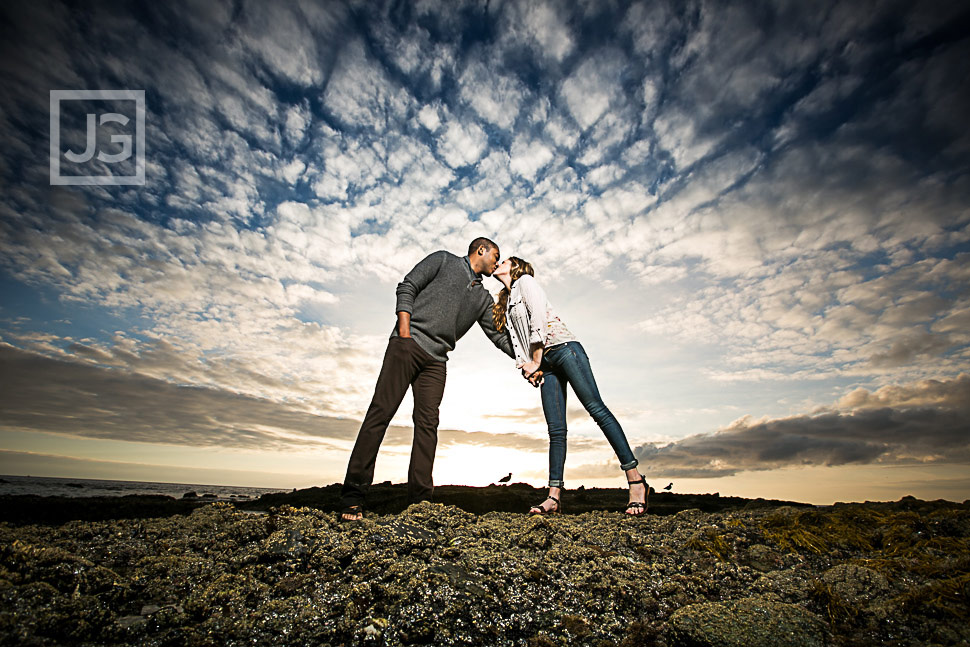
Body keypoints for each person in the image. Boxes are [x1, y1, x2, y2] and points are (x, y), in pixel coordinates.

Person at [339, 238, 515, 521]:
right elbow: (407, 286)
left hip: (436, 362)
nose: (497, 261)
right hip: (407, 346)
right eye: (496, 254)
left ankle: (419, 504)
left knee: (427, 426)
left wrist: (528, 361)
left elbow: (498, 336)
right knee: (380, 414)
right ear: (480, 250)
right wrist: (405, 334)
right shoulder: (444, 260)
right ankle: (353, 498)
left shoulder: (483, 298)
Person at [492, 256, 648, 515]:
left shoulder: (526, 282)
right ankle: (554, 497)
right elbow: (518, 343)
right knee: (556, 430)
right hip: (545, 364)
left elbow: (539, 321)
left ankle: (635, 480)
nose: (499, 262)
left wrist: (536, 360)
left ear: (516, 266)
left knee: (597, 410)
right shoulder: (507, 303)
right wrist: (528, 368)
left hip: (565, 350)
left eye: (504, 260)